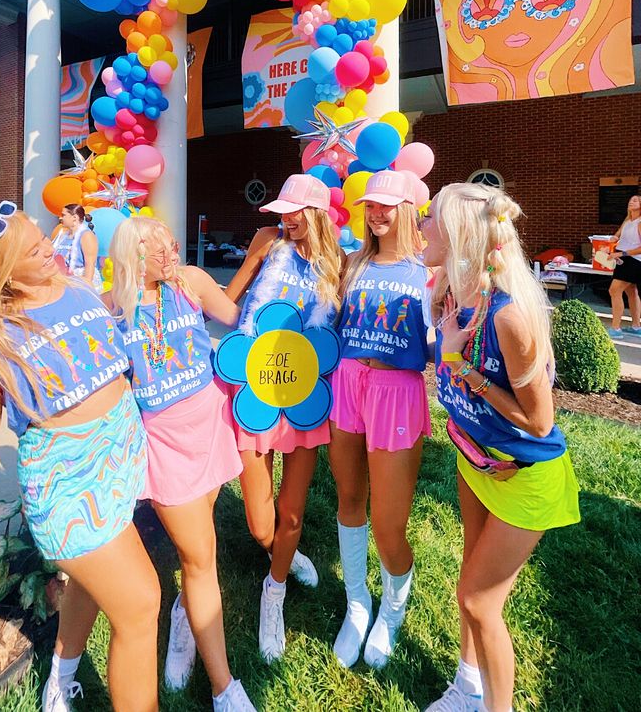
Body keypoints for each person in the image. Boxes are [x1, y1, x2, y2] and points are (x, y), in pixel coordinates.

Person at [0, 202, 160, 712]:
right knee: (140, 604)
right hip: (70, 486)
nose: (50, 246)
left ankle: (59, 681)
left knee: (90, 587)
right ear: (1, 274)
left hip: (119, 463)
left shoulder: (76, 286)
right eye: (32, 251)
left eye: (41, 238)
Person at [421, 184, 580, 712]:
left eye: (431, 220)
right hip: (475, 460)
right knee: (471, 572)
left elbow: (539, 422)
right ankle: (467, 687)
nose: (421, 227)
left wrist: (461, 366)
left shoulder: (508, 317)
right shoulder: (450, 294)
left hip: (525, 475)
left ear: (459, 236)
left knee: (478, 600)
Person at [106, 216, 255, 712]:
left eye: (171, 244)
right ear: (132, 258)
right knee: (199, 556)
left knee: (200, 544)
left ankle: (184, 611)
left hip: (210, 422)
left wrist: (267, 265)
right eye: (158, 251)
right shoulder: (115, 308)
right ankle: (224, 688)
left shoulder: (189, 281)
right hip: (165, 441)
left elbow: (236, 317)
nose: (171, 254)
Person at [225, 174, 343, 663]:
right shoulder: (267, 240)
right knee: (259, 522)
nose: (286, 219)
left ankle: (273, 593)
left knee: (291, 513)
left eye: (296, 212)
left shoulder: (339, 262)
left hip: (304, 394)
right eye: (283, 210)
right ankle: (284, 554)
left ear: (316, 214)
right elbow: (230, 299)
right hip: (254, 384)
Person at [329, 170, 431, 669]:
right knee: (349, 497)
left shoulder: (428, 269)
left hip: (397, 393)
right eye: (371, 205)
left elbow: (445, 344)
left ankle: (392, 610)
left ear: (409, 208)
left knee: (390, 526)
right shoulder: (354, 264)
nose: (377, 213)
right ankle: (356, 603)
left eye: (388, 205)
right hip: (348, 384)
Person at [608, 194, 641, 339]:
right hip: (623, 259)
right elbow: (617, 235)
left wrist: (622, 254)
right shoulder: (628, 220)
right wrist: (611, 240)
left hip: (633, 260)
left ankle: (615, 329)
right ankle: (636, 326)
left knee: (614, 290)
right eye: (630, 200)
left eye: (635, 200)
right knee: (631, 292)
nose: (631, 202)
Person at [52, 204, 102, 291]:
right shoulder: (63, 236)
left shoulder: (86, 235)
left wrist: (86, 287)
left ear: (74, 217)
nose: (60, 218)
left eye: (64, 215)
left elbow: (90, 264)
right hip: (64, 282)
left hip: (80, 281)